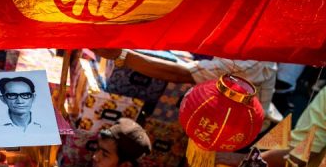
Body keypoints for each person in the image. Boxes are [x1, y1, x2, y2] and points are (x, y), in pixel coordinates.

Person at [93, 49, 282, 124]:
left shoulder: (252, 60)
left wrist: (121, 56)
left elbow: (182, 74)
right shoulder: (242, 44)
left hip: (241, 131)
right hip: (218, 117)